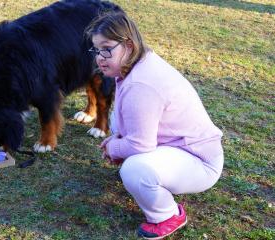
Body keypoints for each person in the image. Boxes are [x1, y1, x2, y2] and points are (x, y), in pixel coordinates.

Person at [86, 11, 224, 239]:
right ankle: (153, 177)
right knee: (127, 151)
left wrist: (113, 148)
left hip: (199, 162)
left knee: (135, 170)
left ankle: (168, 215)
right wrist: (118, 140)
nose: (99, 57)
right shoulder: (137, 64)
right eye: (96, 49)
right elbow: (130, 120)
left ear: (128, 45)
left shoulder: (142, 83)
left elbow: (140, 145)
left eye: (106, 48)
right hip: (177, 149)